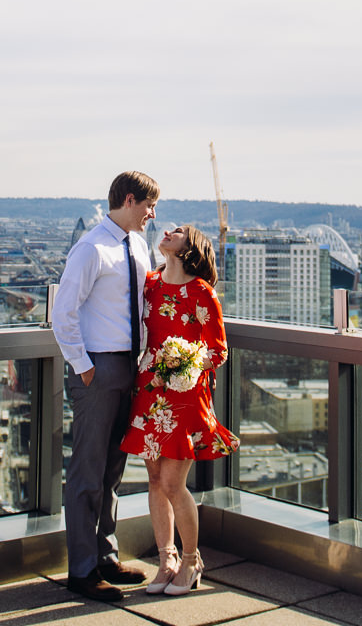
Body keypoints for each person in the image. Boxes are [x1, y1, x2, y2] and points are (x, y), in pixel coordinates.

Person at [51, 170, 158, 602]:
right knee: (87, 471)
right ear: (129, 200)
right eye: (149, 205)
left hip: (129, 367)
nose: (153, 214)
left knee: (113, 469)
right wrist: (84, 367)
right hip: (99, 367)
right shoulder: (92, 248)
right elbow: (64, 311)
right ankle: (81, 570)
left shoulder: (137, 246)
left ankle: (105, 557)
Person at [119, 222, 239, 596]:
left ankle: (191, 560)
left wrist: (182, 362)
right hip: (150, 390)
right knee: (154, 481)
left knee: (173, 483)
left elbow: (218, 351)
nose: (168, 231)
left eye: (179, 231)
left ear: (191, 248)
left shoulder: (201, 293)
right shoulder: (150, 285)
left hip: (184, 394)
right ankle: (166, 559)